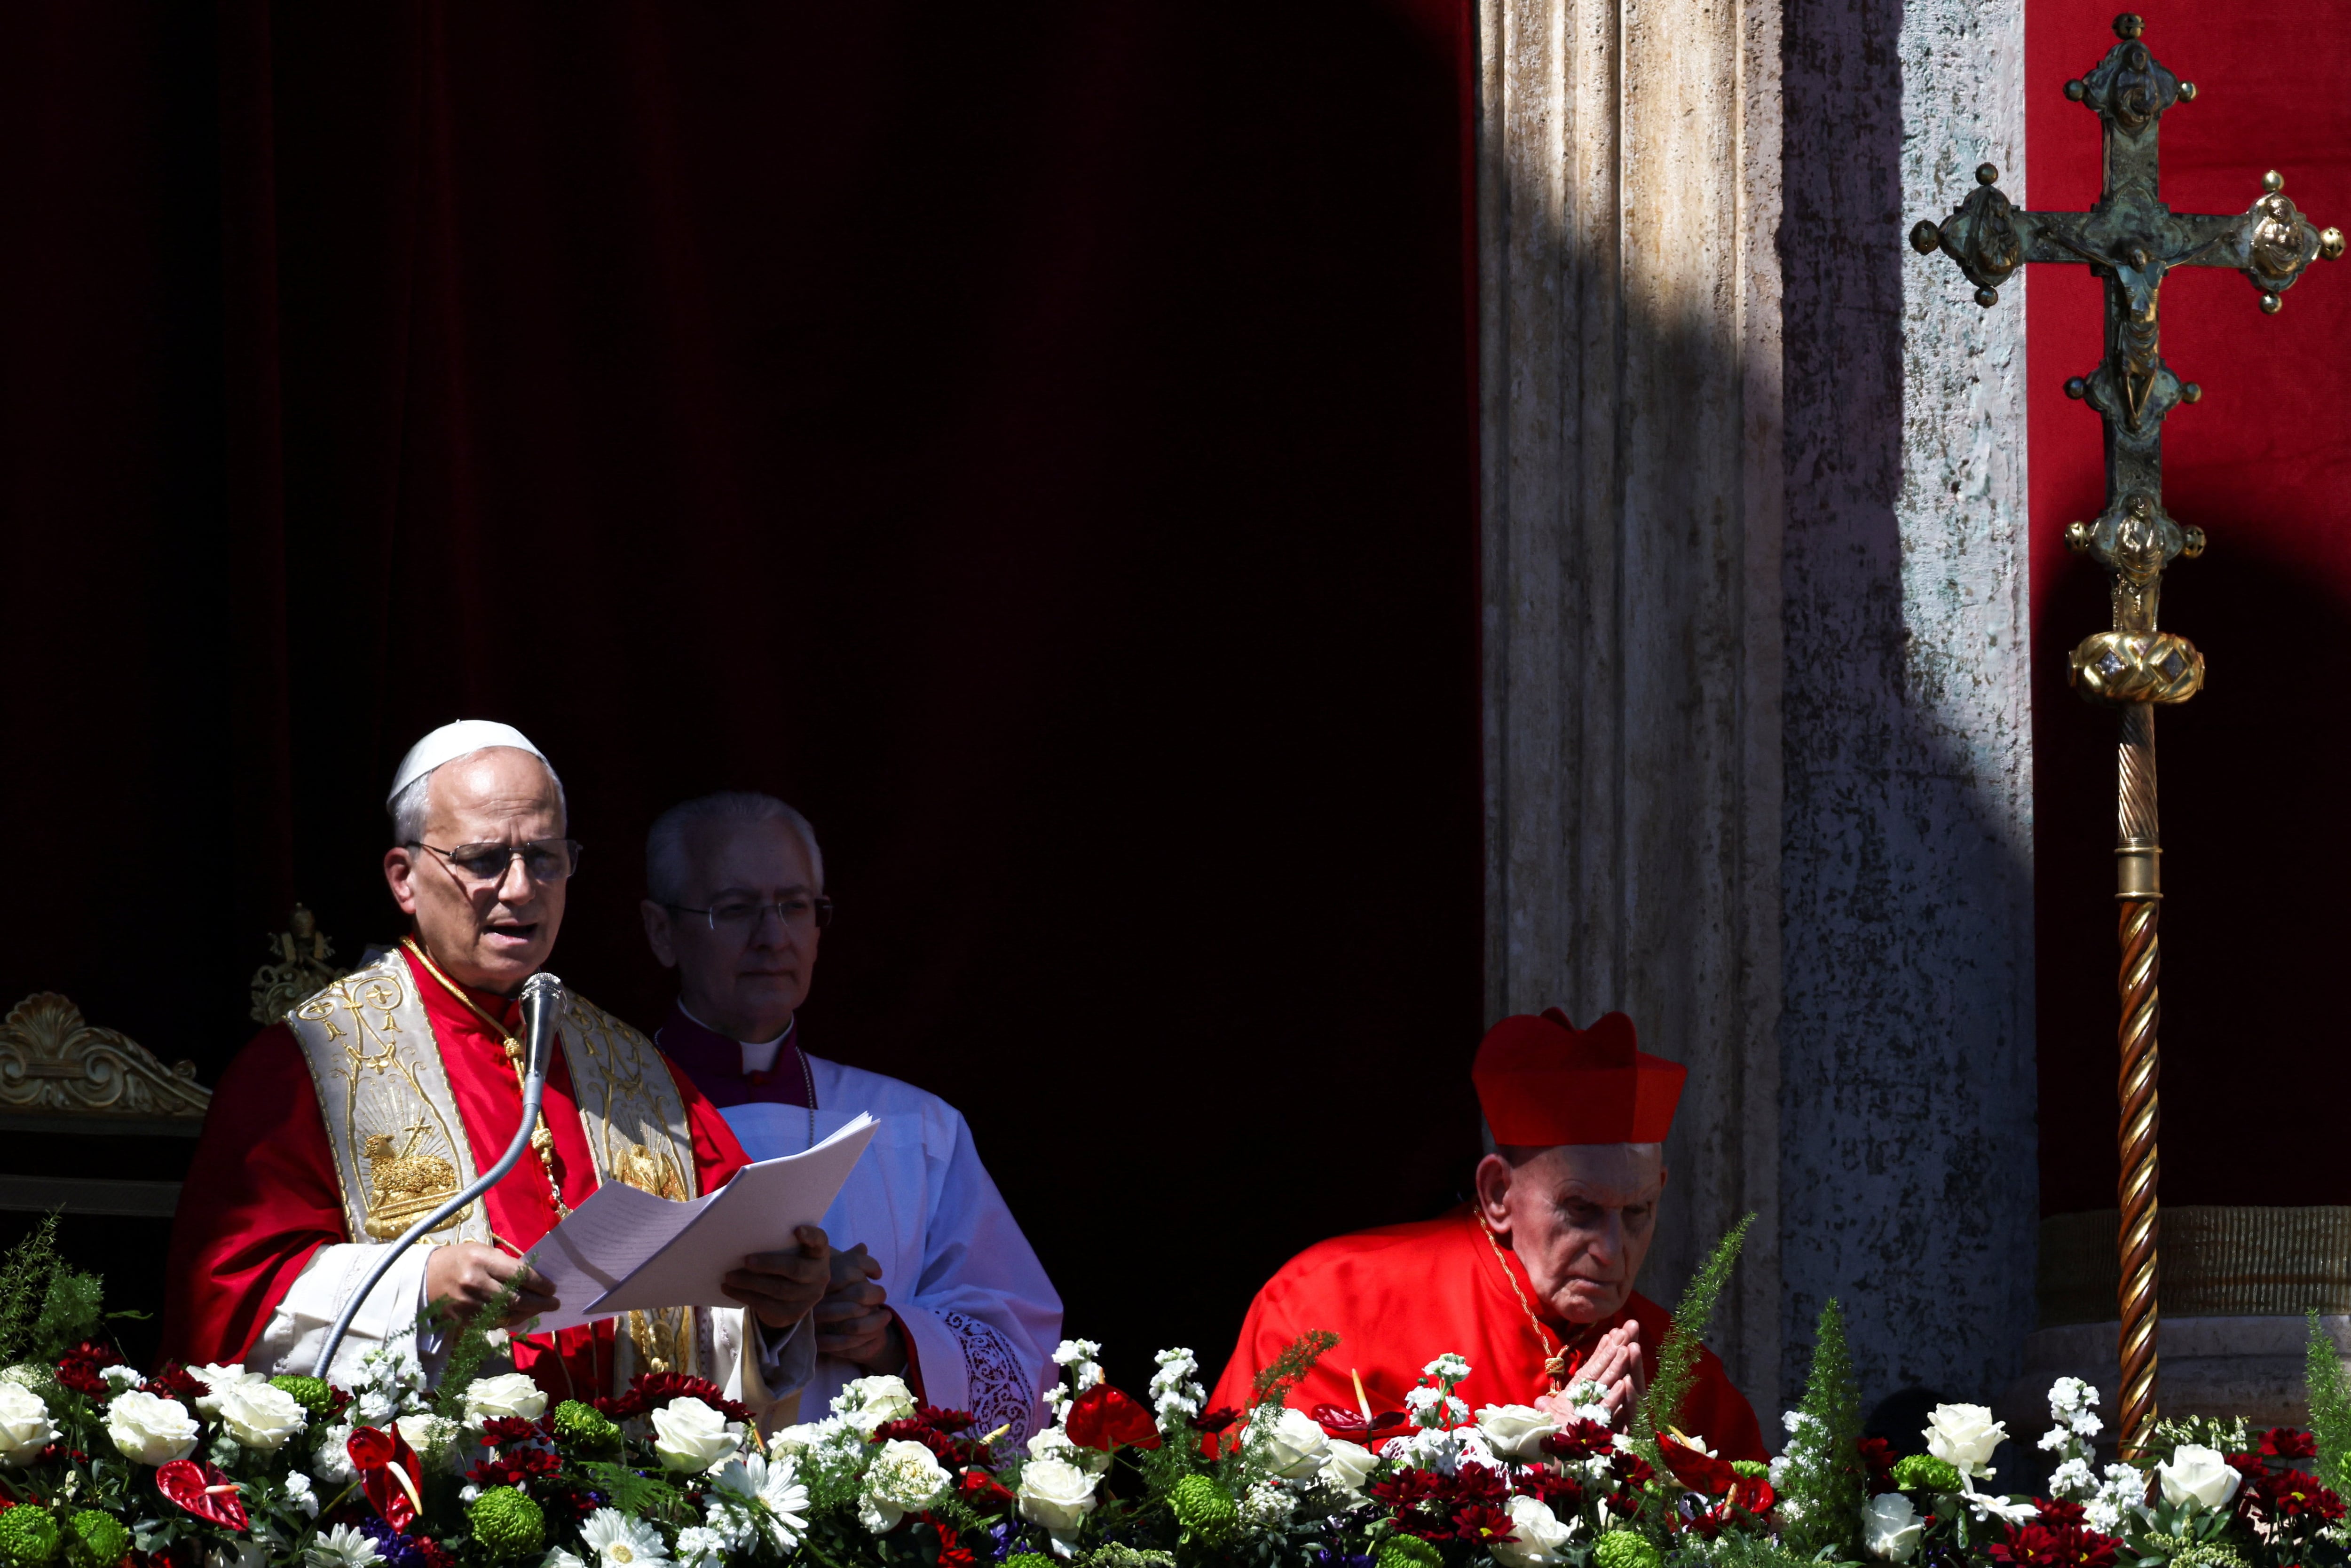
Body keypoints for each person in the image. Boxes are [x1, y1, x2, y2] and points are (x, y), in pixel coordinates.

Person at [162, 721, 824, 1420]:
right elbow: (229, 1301)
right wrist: (419, 1287)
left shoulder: (636, 1070)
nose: (521, 889)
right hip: (418, 1509)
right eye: (484, 860)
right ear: (404, 878)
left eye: (544, 857)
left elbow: (721, 1272)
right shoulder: (310, 1063)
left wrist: (776, 1305)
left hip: (633, 1509)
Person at [642, 791, 1061, 1444]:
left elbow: (1023, 1358)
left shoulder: (917, 1128)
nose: (772, 935)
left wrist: (887, 1335)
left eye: (795, 905)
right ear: (661, 931)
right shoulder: (598, 1118)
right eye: (735, 907)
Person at [1208, 1008, 1766, 1462]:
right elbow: (1276, 1504)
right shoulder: (1329, 1298)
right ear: (1498, 1192)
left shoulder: (1687, 1378)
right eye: (1580, 1209)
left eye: (1638, 1210)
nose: (1612, 1250)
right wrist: (1518, 1450)